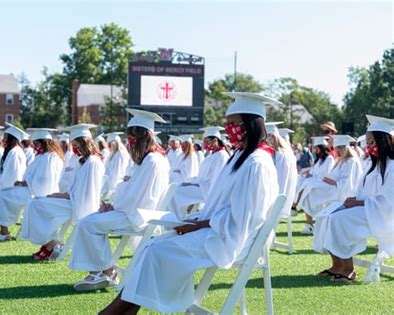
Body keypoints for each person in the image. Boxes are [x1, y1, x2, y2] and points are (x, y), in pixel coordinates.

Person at [99, 92, 279, 314]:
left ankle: (116, 310)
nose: (228, 129)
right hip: (217, 230)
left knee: (158, 250)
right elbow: (223, 207)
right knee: (150, 245)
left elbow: (246, 218)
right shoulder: (241, 156)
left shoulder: (256, 163)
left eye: (233, 124)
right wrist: (196, 221)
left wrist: (200, 225)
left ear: (251, 124)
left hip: (234, 240)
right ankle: (125, 309)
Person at [71, 109, 170, 292]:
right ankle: (101, 271)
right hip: (136, 211)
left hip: (137, 215)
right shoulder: (153, 158)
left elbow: (135, 195)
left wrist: (115, 203)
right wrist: (121, 194)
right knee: (89, 221)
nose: (130, 141)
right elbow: (134, 190)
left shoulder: (152, 161)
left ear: (143, 136)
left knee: (88, 224)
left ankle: (107, 271)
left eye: (133, 135)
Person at [313, 115, 393, 282]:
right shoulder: (374, 165)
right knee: (325, 216)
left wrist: (358, 202)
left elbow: (388, 201)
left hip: (381, 214)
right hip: (367, 208)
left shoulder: (392, 166)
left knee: (338, 220)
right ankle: (337, 265)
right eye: (368, 143)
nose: (369, 147)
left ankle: (349, 269)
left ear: (384, 141)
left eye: (372, 142)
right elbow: (363, 191)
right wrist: (353, 199)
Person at [19, 124, 104, 260]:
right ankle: (50, 243)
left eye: (76, 144)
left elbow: (85, 193)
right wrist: (60, 195)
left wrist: (63, 195)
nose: (74, 148)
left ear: (84, 143)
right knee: (36, 202)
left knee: (37, 205)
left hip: (81, 206)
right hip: (73, 200)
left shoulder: (92, 162)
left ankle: (51, 244)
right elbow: (74, 186)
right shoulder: (82, 161)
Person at [0, 129, 64, 241]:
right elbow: (33, 176)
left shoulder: (50, 157)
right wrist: (24, 182)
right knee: (1, 195)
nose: (35, 146)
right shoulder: (43, 156)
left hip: (37, 193)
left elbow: (44, 180)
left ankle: (4, 232)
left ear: (44, 142)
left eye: (37, 144)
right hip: (31, 189)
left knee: (1, 197)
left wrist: (27, 183)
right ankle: (3, 231)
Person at [168, 126, 229, 220]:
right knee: (176, 189)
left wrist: (197, 184)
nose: (204, 144)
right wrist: (191, 182)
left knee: (175, 192)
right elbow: (202, 176)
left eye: (206, 142)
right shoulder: (212, 155)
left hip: (208, 191)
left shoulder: (221, 156)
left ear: (215, 141)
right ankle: (179, 217)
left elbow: (215, 181)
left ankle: (178, 219)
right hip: (201, 186)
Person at [298, 135, 364, 218]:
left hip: (342, 191)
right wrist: (327, 179)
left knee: (312, 191)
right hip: (334, 186)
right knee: (309, 187)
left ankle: (310, 215)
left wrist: (334, 182)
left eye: (338, 151)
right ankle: (311, 214)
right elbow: (333, 175)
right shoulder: (340, 160)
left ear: (344, 149)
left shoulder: (352, 161)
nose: (337, 153)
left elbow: (349, 184)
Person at [294, 136, 336, 234]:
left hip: (325, 184)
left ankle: (295, 205)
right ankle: (308, 222)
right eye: (315, 148)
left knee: (308, 188)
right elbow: (313, 171)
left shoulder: (329, 159)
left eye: (317, 148)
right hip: (316, 182)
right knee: (300, 181)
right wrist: (309, 174)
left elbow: (328, 174)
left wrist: (314, 176)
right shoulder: (318, 160)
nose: (315, 150)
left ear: (322, 148)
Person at [265, 122, 298, 219]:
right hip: (283, 198)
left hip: (278, 200)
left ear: (272, 137)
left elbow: (279, 180)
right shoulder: (286, 153)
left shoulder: (281, 155)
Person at [102, 132, 131, 199]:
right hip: (113, 184)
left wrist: (110, 189)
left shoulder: (119, 155)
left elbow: (116, 173)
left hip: (114, 185)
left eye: (110, 144)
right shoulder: (115, 153)